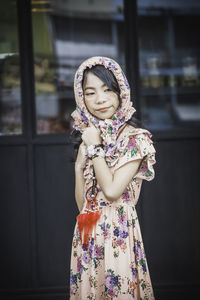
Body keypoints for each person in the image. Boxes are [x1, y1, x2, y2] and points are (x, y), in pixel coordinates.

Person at [69, 56, 156, 300]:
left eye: (108, 89)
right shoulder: (90, 136)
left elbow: (112, 191)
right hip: (87, 233)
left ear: (121, 92)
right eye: (90, 92)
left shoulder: (136, 139)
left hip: (118, 234)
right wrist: (78, 166)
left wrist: (94, 148)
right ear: (81, 98)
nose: (100, 99)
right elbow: (82, 205)